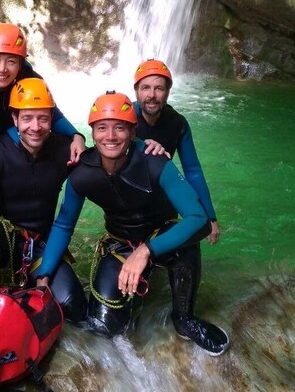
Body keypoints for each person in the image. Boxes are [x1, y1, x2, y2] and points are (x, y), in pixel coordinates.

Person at [37, 92, 230, 355]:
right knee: (107, 326)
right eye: (102, 128)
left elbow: (199, 221)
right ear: (92, 132)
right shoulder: (83, 173)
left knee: (184, 242)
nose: (111, 136)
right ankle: (140, 287)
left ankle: (184, 319)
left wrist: (146, 250)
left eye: (120, 127)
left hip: (160, 235)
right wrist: (44, 274)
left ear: (132, 130)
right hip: (120, 243)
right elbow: (63, 226)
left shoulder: (155, 162)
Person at [0, 78, 87, 322]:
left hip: (39, 245)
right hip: (0, 242)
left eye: (43, 118)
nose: (35, 127)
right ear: (15, 119)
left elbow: (65, 222)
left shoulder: (66, 152)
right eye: (27, 118)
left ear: (52, 119)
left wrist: (45, 273)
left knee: (74, 307)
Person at [133, 59, 220, 243]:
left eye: (159, 88)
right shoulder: (124, 118)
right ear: (136, 91)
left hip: (163, 203)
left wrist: (210, 216)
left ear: (168, 92)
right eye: (146, 88)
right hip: (130, 206)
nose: (152, 95)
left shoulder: (177, 123)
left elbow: (193, 171)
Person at [0, 22, 86, 162]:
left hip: (11, 143)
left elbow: (50, 113)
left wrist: (76, 135)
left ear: (20, 64)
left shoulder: (30, 78)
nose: (2, 68)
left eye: (11, 61)